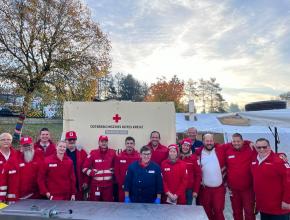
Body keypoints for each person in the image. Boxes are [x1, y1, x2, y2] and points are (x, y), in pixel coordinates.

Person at [251, 138, 290, 220]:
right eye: (259, 147)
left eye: (264, 147)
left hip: (278, 208)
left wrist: (287, 201)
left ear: (269, 147)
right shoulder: (254, 159)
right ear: (256, 148)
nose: (262, 149)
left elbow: (288, 181)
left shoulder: (279, 160)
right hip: (263, 207)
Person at [0, 136, 43, 203]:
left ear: (32, 145)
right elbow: (3, 179)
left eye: (28, 145)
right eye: (25, 145)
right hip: (15, 200)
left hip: (34, 198)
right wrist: (1, 200)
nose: (27, 148)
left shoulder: (39, 156)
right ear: (21, 147)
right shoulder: (14, 159)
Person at [223, 133, 256, 220]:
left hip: (248, 189)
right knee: (236, 212)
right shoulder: (227, 150)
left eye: (238, 141)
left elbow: (265, 151)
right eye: (234, 141)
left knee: (249, 212)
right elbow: (215, 146)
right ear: (231, 142)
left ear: (242, 141)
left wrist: (281, 154)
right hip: (233, 189)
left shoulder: (250, 149)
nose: (236, 143)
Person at [195, 133, 226, 220]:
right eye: (207, 141)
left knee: (218, 211)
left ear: (214, 141)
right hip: (205, 189)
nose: (209, 143)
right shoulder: (198, 153)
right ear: (203, 142)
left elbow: (234, 143)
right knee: (206, 211)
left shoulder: (220, 149)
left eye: (211, 140)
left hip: (219, 188)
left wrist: (248, 142)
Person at [82, 135, 116, 202]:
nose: (104, 143)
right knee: (94, 206)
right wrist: (92, 173)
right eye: (102, 141)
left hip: (108, 186)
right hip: (96, 186)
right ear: (99, 142)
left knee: (108, 207)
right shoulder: (93, 153)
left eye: (105, 141)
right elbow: (84, 168)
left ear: (107, 142)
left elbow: (117, 167)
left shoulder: (112, 153)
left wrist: (113, 171)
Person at [114, 136, 140, 202]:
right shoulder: (119, 156)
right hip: (123, 187)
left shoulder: (139, 156)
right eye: (127, 143)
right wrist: (121, 184)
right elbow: (117, 172)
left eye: (131, 143)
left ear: (134, 145)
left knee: (135, 207)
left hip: (135, 187)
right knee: (122, 207)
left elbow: (141, 172)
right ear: (125, 144)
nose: (129, 145)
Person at [65, 131, 89, 200]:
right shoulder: (62, 152)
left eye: (74, 139)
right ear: (66, 140)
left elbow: (87, 167)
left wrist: (86, 181)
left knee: (78, 206)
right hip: (66, 185)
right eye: (69, 140)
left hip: (78, 184)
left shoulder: (82, 152)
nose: (72, 141)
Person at [179, 137, 202, 205]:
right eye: (184, 145)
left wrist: (196, 191)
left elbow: (198, 175)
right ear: (181, 146)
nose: (185, 147)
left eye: (187, 146)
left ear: (190, 147)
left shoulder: (194, 158)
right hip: (178, 188)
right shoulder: (177, 157)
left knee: (187, 209)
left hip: (189, 189)